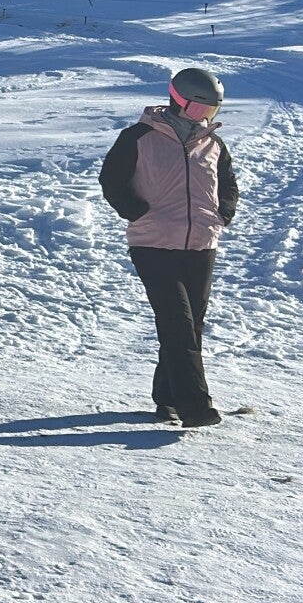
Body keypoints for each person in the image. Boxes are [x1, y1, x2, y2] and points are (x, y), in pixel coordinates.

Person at [98, 67, 239, 430]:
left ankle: (168, 397)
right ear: (177, 101)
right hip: (152, 243)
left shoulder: (213, 144)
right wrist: (136, 211)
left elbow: (228, 184)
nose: (203, 117)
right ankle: (195, 406)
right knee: (177, 322)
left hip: (201, 244)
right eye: (197, 109)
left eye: (210, 111)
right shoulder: (139, 137)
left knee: (190, 325)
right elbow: (111, 179)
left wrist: (221, 214)